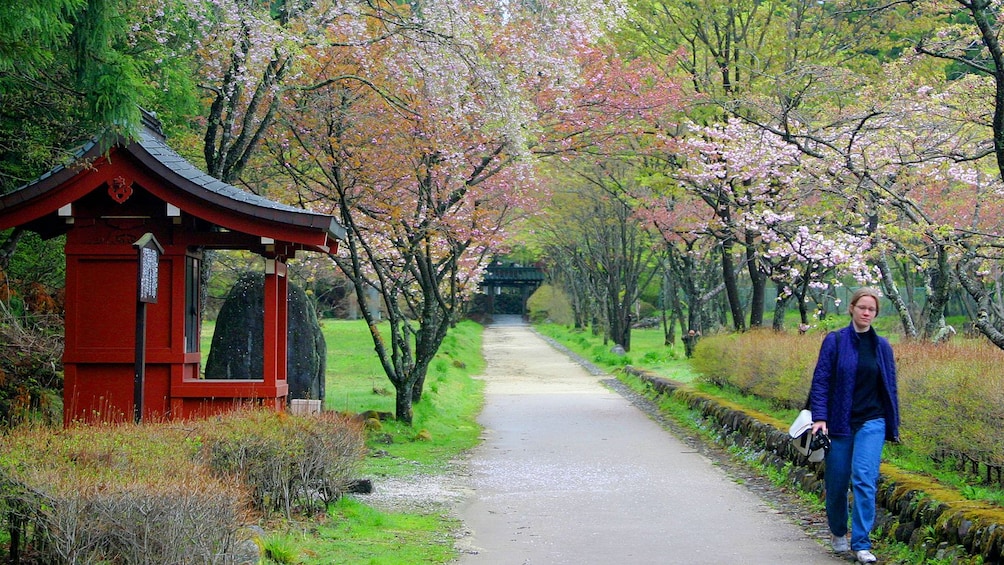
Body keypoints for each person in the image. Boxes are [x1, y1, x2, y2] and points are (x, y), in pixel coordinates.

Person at [809, 287, 900, 564]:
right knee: (837, 482)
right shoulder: (835, 341)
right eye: (862, 307)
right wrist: (820, 417)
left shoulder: (881, 346)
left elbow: (890, 387)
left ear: (876, 313)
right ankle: (838, 531)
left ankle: (861, 543)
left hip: (872, 421)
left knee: (864, 478)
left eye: (871, 309)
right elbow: (821, 379)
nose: (866, 312)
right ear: (851, 308)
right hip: (839, 423)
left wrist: (892, 423)